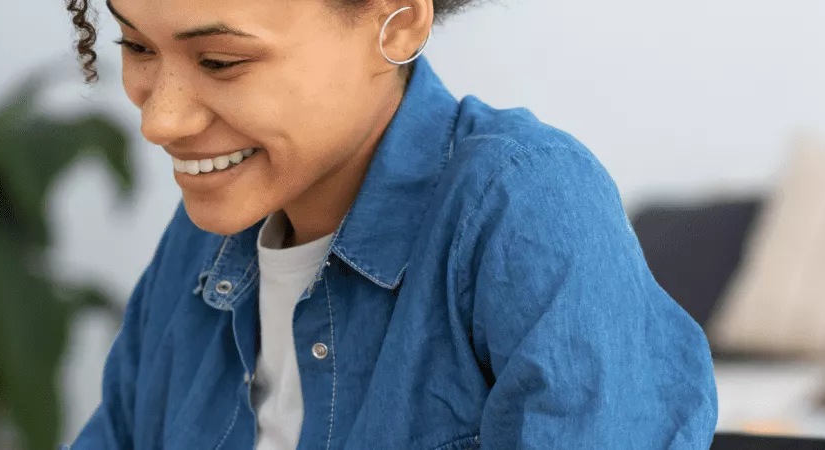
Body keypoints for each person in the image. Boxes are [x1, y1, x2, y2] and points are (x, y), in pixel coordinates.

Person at [62, 0, 718, 448]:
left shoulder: (523, 203)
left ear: (398, 21)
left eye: (220, 62)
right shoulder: (199, 247)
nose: (159, 121)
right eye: (137, 45)